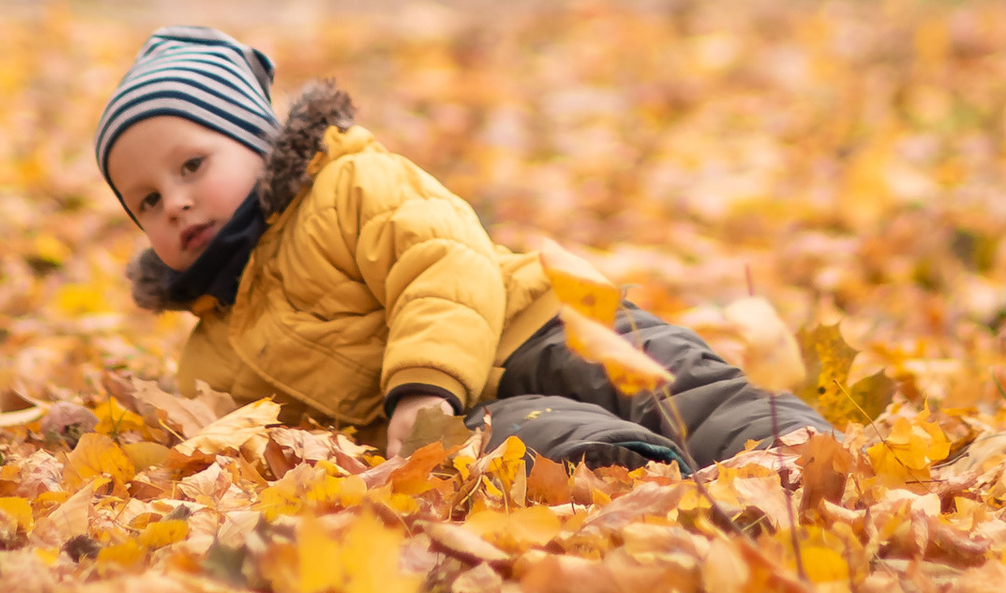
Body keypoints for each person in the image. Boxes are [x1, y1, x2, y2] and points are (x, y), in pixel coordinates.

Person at [94, 26, 830, 470]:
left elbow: (442, 265)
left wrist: (422, 381)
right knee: (524, 442)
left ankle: (790, 448)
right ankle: (638, 477)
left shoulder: (350, 186)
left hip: (525, 324)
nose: (177, 202)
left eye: (192, 166)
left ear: (257, 143)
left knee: (651, 375)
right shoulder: (211, 351)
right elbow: (250, 443)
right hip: (440, 419)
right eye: (148, 202)